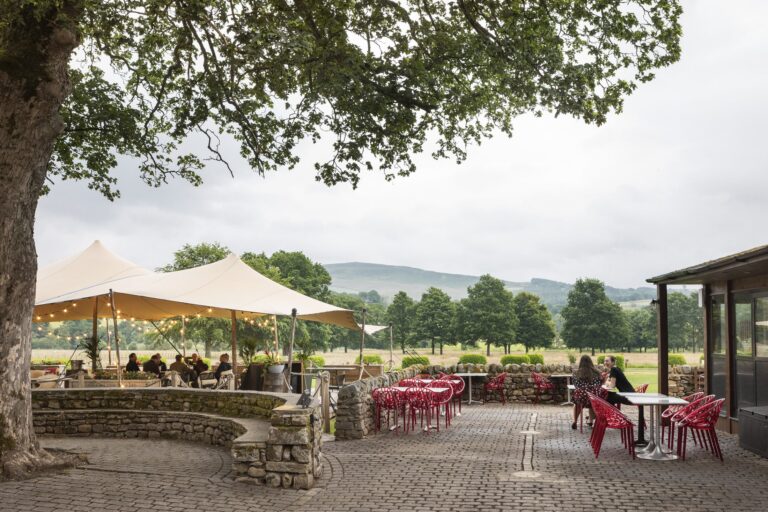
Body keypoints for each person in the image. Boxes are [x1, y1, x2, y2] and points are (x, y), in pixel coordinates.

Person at [571, 355, 602, 429]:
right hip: (593, 395)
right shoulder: (597, 372)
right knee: (592, 403)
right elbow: (598, 384)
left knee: (577, 404)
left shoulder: (576, 372)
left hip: (581, 396)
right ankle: (591, 421)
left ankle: (575, 421)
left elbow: (576, 385)